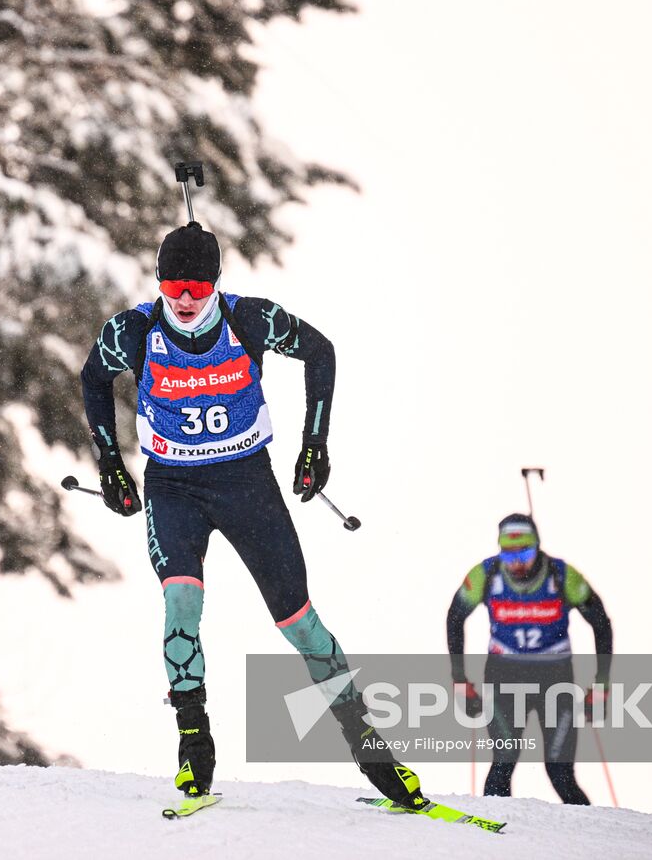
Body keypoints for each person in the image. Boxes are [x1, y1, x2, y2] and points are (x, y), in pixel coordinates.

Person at [80, 220, 427, 808]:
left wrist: (315, 444)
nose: (184, 298)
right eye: (172, 285)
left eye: (197, 286)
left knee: (299, 622)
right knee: (181, 599)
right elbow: (93, 377)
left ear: (215, 283)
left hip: (247, 484)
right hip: (173, 487)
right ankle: (194, 743)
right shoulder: (134, 329)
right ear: (158, 282)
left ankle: (368, 746)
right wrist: (110, 463)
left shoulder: (249, 319)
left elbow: (320, 351)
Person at [445, 513, 613, 804]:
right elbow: (455, 617)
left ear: (537, 546)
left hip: (555, 680)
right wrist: (459, 679)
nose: (517, 563)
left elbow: (601, 623)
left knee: (560, 773)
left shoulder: (562, 575)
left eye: (524, 553)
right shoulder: (486, 574)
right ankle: (496, 829)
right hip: (504, 678)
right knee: (504, 759)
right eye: (509, 555)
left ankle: (592, 832)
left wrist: (601, 685)